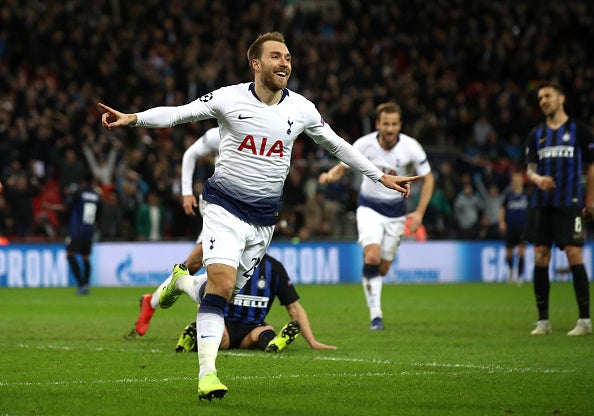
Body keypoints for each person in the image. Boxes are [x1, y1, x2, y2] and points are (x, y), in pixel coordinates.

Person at [98, 31, 420, 401]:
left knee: (219, 295)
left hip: (264, 218)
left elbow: (337, 145)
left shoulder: (302, 109)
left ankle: (181, 283)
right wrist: (132, 118)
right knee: (220, 285)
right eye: (276, 56)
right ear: (256, 64)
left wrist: (380, 175)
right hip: (223, 205)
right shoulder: (228, 98)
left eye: (288, 57)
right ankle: (208, 376)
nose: (285, 62)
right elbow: (177, 114)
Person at [318, 102, 434, 330]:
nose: (390, 129)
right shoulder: (365, 144)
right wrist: (330, 176)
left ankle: (374, 298)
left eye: (394, 124)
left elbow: (428, 178)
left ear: (400, 125)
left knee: (382, 268)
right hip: (369, 207)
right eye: (386, 124)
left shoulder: (412, 148)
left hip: (396, 212)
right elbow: (344, 165)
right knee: (371, 257)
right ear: (378, 124)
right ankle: (375, 315)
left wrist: (419, 212)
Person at [525, 81, 592, 336]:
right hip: (541, 204)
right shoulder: (536, 135)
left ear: (561, 98)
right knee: (541, 255)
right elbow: (529, 169)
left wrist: (591, 202)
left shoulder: (580, 131)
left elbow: (592, 167)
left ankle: (584, 320)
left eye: (548, 96)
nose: (543, 100)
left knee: (574, 254)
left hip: (569, 203)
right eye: (540, 97)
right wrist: (537, 179)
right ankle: (543, 321)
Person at [172, 254, 337, 353]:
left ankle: (274, 343)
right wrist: (207, 323)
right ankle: (192, 340)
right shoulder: (228, 265)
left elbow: (294, 308)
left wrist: (313, 342)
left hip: (252, 328)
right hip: (225, 324)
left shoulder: (274, 268)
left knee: (264, 331)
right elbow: (206, 296)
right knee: (221, 337)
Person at [43, 173, 101, 295]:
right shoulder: (96, 195)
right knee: (86, 257)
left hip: (77, 230)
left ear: (83, 181)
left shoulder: (79, 193)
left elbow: (66, 208)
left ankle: (81, 284)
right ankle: (85, 285)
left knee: (70, 255)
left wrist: (49, 207)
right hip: (89, 230)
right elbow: (99, 214)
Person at [498, 171, 529, 283]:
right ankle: (511, 271)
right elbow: (502, 209)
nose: (516, 181)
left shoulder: (527, 196)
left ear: (522, 180)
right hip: (511, 227)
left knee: (521, 252)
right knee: (509, 253)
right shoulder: (508, 196)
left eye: (518, 179)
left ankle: (520, 276)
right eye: (514, 179)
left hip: (523, 227)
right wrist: (501, 222)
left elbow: (531, 212)